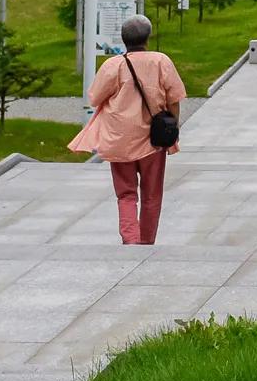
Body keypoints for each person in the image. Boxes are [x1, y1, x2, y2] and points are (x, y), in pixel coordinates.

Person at [70, 13, 186, 245]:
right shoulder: (161, 61)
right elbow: (174, 97)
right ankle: (146, 241)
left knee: (126, 194)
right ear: (148, 37)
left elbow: (95, 97)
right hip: (154, 140)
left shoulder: (113, 65)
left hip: (120, 139)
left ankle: (130, 240)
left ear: (123, 39)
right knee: (152, 195)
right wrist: (173, 124)